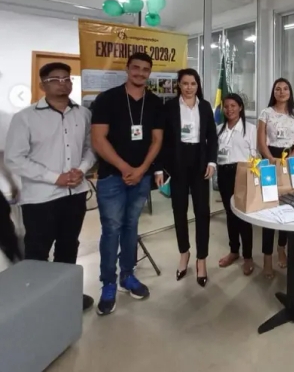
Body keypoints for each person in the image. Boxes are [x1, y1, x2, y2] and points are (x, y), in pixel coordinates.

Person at [5, 62, 96, 310]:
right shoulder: (25, 118)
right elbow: (14, 158)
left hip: (75, 194)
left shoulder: (83, 114)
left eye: (67, 79)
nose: (62, 83)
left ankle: (65, 297)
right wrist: (54, 177)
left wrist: (82, 169)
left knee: (69, 246)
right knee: (38, 251)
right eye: (55, 79)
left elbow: (90, 148)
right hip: (41, 199)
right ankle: (37, 304)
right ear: (42, 84)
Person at [91, 52, 164, 316]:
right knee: (111, 229)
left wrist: (141, 170)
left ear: (150, 73)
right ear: (127, 68)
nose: (140, 73)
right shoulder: (107, 99)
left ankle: (127, 276)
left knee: (131, 227)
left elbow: (157, 140)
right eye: (136, 68)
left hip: (140, 178)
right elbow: (98, 139)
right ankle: (108, 284)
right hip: (112, 177)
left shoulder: (154, 102)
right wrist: (125, 168)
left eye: (145, 69)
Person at [156, 69, 217, 286]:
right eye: (185, 83)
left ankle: (202, 259)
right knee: (179, 211)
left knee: (202, 212)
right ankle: (184, 253)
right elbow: (161, 140)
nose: (189, 87)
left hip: (200, 163)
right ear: (179, 85)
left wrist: (212, 162)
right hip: (178, 163)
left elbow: (212, 136)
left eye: (193, 83)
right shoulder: (170, 107)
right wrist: (159, 169)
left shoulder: (205, 106)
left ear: (197, 85)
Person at [257, 78, 294, 278]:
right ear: (273, 92)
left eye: (285, 88)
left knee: (287, 207)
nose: (282, 92)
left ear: (290, 92)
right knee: (269, 209)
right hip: (270, 160)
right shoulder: (266, 113)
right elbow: (261, 141)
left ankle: (281, 247)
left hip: (290, 162)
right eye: (278, 89)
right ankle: (267, 258)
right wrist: (271, 159)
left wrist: (289, 160)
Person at [216, 93, 257, 276]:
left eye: (233, 106)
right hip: (224, 173)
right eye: (226, 106)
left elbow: (255, 154)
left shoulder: (250, 129)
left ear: (240, 107)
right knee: (230, 214)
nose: (229, 109)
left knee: (243, 216)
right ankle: (234, 251)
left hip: (242, 173)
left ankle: (248, 256)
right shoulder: (219, 129)